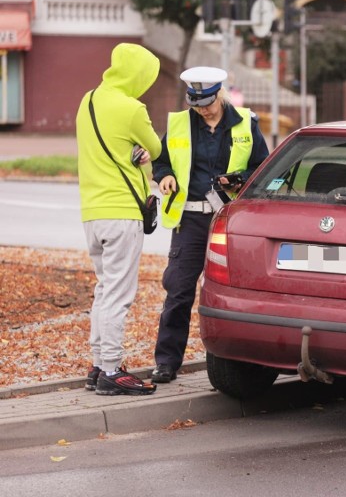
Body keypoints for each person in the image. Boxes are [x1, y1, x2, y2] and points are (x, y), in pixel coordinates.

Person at [150, 66, 269, 383]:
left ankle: (240, 363)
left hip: (229, 221)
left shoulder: (245, 123)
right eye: (196, 103)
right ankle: (166, 362)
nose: (202, 109)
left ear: (220, 94)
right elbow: (161, 161)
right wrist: (165, 176)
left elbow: (263, 166)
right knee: (178, 291)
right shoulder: (179, 124)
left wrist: (241, 180)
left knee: (234, 294)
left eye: (207, 102)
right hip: (190, 219)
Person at [75, 42, 162, 396]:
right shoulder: (132, 108)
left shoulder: (88, 100)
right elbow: (155, 148)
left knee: (103, 290)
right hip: (122, 212)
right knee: (118, 295)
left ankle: (98, 365)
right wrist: (142, 155)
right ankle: (111, 369)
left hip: (92, 213)